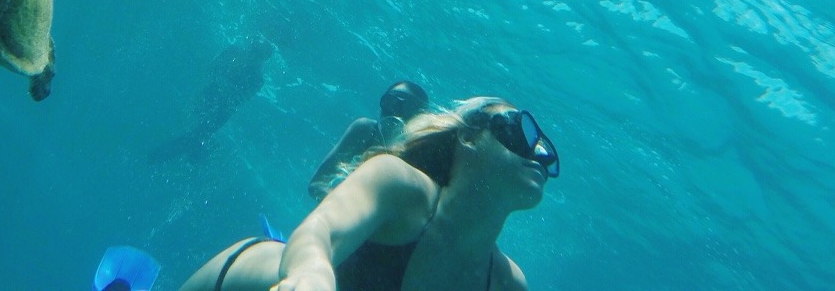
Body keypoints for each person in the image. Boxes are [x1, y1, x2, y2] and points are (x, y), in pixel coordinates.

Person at [177, 96, 558, 291]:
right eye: (520, 131)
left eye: (545, 149)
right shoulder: (400, 187)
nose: (538, 153)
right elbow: (319, 231)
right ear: (469, 137)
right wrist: (311, 275)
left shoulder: (506, 283)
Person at [308, 81, 430, 201]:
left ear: (419, 117)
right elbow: (317, 183)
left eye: (408, 107)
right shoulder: (365, 131)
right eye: (390, 102)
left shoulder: (420, 149)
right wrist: (343, 205)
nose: (395, 110)